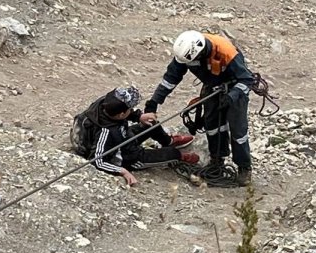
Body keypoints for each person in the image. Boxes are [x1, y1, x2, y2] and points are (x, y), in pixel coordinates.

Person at [143, 30, 255, 186]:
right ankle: (217, 160)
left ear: (201, 53)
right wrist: (154, 101)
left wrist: (232, 95)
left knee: (238, 131)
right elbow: (170, 79)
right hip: (213, 88)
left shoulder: (226, 52)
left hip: (235, 88)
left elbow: (246, 80)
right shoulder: (185, 54)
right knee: (212, 127)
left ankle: (244, 167)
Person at [70, 86, 200, 186]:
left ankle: (168, 140)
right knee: (171, 153)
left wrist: (139, 116)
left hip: (124, 137)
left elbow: (124, 114)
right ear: (121, 114)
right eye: (130, 109)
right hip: (129, 157)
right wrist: (122, 171)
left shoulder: (104, 104)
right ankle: (178, 156)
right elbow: (97, 160)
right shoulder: (106, 132)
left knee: (150, 124)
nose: (131, 110)